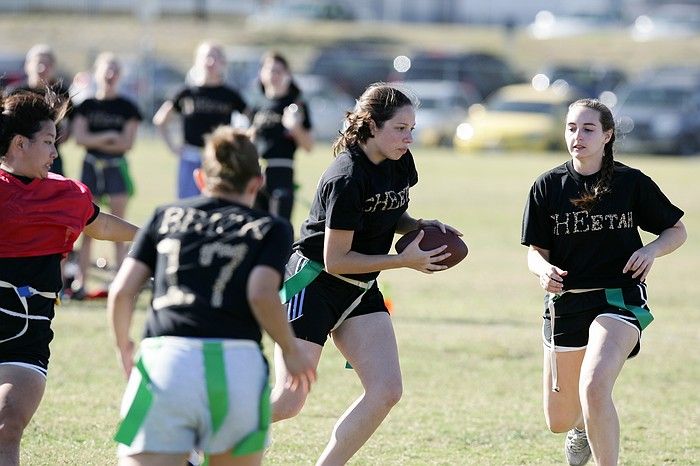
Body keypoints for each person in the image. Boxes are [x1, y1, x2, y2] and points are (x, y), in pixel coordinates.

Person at [270, 83, 460, 465]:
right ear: (372, 126)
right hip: (314, 283)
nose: (409, 137)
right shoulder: (346, 177)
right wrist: (403, 261)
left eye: (412, 128)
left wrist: (415, 224)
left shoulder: (400, 159)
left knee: (386, 389)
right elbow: (336, 259)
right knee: (289, 401)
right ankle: (206, 437)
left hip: (359, 286)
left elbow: (387, 211)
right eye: (400, 128)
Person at [108, 126, 317, 466]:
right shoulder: (271, 227)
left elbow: (121, 292)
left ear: (201, 179)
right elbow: (262, 292)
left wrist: (124, 348)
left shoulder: (165, 215)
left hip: (166, 361)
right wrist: (291, 351)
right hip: (238, 366)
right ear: (256, 183)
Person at [521, 98, 686, 466]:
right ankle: (581, 426)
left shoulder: (631, 182)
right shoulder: (547, 186)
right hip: (566, 303)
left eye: (588, 129)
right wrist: (542, 270)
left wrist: (652, 251)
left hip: (619, 297)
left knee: (595, 386)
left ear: (607, 135)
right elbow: (535, 252)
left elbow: (676, 230)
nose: (578, 136)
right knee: (558, 420)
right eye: (571, 128)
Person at [0, 90, 138, 466]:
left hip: (23, 340)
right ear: (19, 144)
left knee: (7, 422)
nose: (55, 153)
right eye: (48, 142)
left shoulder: (66, 194)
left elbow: (102, 225)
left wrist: (150, 236)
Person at [71, 52, 142, 298]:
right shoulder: (87, 106)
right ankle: (81, 281)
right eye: (106, 69)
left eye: (115, 70)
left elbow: (127, 143)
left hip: (116, 167)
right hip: (91, 166)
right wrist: (108, 136)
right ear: (97, 72)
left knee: (119, 226)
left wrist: (101, 139)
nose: (110, 74)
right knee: (85, 225)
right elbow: (80, 138)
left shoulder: (128, 107)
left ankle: (121, 282)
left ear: (120, 74)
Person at [153, 41, 248, 200]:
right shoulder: (187, 93)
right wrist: (173, 147)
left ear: (223, 63)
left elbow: (251, 120)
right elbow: (160, 120)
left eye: (215, 57)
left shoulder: (230, 95)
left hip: (220, 160)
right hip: (191, 159)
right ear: (197, 61)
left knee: (219, 206)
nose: (210, 61)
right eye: (206, 56)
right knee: (187, 206)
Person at [249, 51, 313, 223]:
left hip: (282, 173)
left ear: (288, 75)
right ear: (261, 74)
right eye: (269, 70)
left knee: (280, 226)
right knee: (256, 227)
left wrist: (295, 127)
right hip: (256, 174)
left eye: (278, 70)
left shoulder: (296, 104)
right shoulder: (256, 105)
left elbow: (308, 146)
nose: (273, 75)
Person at [3, 44, 71, 176]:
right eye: (38, 62)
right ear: (28, 65)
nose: (42, 68)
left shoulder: (61, 93)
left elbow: (67, 128)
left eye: (48, 63)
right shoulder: (15, 92)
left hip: (51, 157)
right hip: (18, 159)